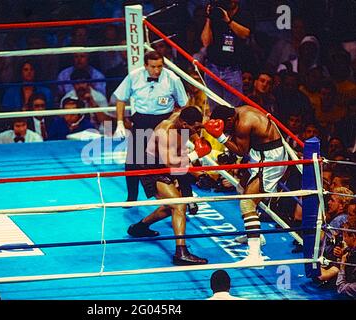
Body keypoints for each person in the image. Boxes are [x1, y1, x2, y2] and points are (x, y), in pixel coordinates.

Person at [126, 106, 211, 265]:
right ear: (185, 124)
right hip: (151, 168)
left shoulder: (182, 120)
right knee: (179, 205)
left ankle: (140, 227)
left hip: (167, 163)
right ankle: (181, 252)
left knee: (170, 205)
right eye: (195, 128)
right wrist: (197, 154)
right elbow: (171, 164)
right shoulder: (164, 132)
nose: (197, 131)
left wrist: (200, 139)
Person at [204, 104, 288, 264]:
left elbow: (241, 151)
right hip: (259, 153)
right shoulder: (238, 112)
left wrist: (220, 136)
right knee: (241, 187)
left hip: (270, 159)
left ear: (229, 120)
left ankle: (254, 255)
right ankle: (255, 233)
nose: (224, 128)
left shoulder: (244, 123)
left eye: (223, 125)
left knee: (247, 204)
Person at [113, 51, 189, 206]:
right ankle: (132, 198)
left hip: (165, 122)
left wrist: (173, 123)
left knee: (174, 160)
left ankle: (187, 197)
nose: (157, 70)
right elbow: (121, 98)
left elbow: (184, 105)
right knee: (133, 161)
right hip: (141, 121)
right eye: (153, 67)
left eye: (160, 66)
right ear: (145, 65)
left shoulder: (173, 79)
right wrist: (120, 123)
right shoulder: (134, 76)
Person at [200, 0, 253, 107]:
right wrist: (209, 18)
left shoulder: (245, 14)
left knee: (232, 110)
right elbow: (206, 42)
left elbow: (246, 34)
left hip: (232, 69)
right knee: (214, 109)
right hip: (213, 67)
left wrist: (228, 21)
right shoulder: (216, 13)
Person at [336, 221, 356, 299]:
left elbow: (341, 289)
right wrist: (341, 255)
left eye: (345, 236)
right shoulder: (350, 250)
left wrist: (342, 266)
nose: (344, 240)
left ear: (353, 236)